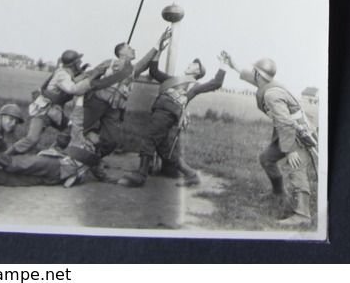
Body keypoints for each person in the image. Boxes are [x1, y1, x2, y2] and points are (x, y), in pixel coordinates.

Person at [219, 52, 316, 229]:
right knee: (267, 158)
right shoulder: (268, 83)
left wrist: (291, 150)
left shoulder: (272, 94)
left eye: (255, 71)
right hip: (287, 132)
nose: (253, 73)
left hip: (297, 135)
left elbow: (285, 122)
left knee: (296, 167)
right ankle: (279, 193)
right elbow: (250, 76)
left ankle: (303, 215)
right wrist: (233, 64)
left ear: (259, 74)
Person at [123, 39, 224, 187]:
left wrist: (223, 64)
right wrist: (159, 51)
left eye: (193, 65)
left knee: (149, 139)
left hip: (167, 115)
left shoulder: (194, 86)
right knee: (165, 151)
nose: (189, 64)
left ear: (197, 72)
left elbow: (216, 83)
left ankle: (141, 175)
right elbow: (154, 72)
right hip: (160, 112)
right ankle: (192, 175)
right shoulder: (174, 79)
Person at [9, 49, 111, 155]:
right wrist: (93, 76)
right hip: (44, 112)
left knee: (71, 131)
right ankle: (6, 156)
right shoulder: (63, 75)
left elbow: (76, 79)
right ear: (74, 64)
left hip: (54, 112)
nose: (80, 63)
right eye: (78, 61)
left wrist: (91, 73)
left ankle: (50, 153)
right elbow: (74, 89)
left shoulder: (65, 72)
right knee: (32, 139)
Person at [83, 40, 159, 157]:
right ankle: (61, 154)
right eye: (129, 48)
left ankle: (92, 161)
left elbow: (145, 61)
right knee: (79, 127)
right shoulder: (109, 63)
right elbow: (89, 76)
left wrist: (158, 45)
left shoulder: (132, 70)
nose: (133, 50)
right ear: (121, 52)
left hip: (115, 109)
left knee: (111, 141)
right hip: (97, 102)